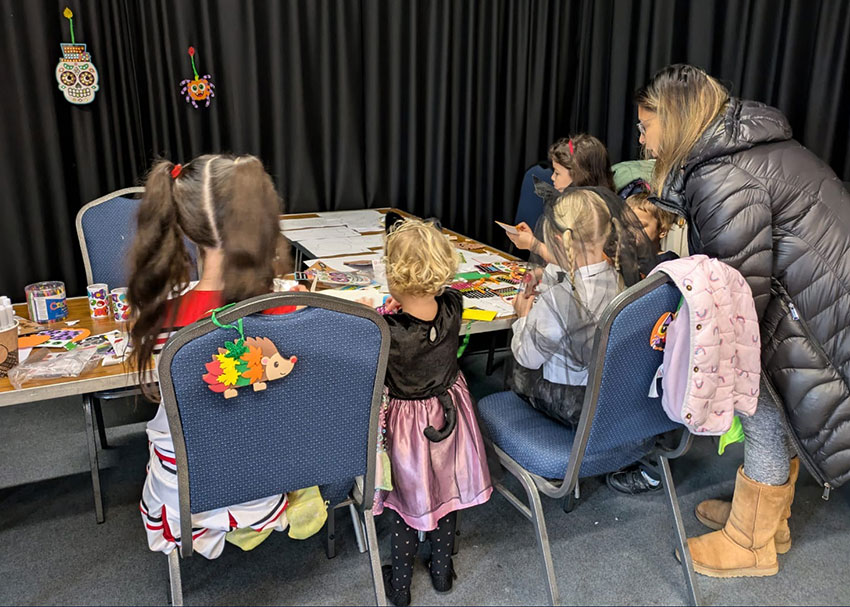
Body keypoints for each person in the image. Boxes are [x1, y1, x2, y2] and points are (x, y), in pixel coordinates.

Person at [636, 63, 850, 577]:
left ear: (677, 120)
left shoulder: (721, 174)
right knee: (771, 399)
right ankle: (767, 519)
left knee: (762, 400)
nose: (641, 139)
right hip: (823, 294)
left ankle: (752, 543)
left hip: (819, 304)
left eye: (646, 126)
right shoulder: (746, 147)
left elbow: (737, 302)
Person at [129, 154, 304, 559]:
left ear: (186, 226)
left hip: (187, 495)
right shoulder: (289, 311)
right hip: (264, 484)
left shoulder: (161, 321)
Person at [372, 219, 492, 607]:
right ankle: (441, 573)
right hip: (450, 414)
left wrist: (387, 309)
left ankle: (401, 587)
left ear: (393, 277)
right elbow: (437, 304)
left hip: (408, 426)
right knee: (446, 492)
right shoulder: (454, 306)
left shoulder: (386, 330)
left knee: (409, 502)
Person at [509, 185, 655, 426]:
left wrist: (523, 316)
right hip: (612, 400)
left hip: (569, 406)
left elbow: (527, 357)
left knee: (518, 374)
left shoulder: (556, 300)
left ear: (558, 240)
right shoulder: (618, 278)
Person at [508, 134, 616, 263]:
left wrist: (534, 245)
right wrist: (532, 238)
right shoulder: (570, 204)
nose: (552, 178)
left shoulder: (594, 213)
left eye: (557, 173)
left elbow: (575, 263)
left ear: (579, 176)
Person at [626, 191, 678, 263]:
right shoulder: (626, 261)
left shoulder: (668, 264)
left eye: (638, 226)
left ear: (662, 230)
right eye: (625, 225)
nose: (630, 231)